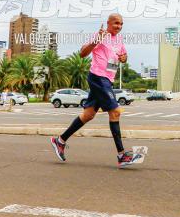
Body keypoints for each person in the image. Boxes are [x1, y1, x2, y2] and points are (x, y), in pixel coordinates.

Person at [51, 13, 142, 168]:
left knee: (88, 115)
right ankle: (121, 155)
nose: (119, 26)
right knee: (115, 112)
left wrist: (124, 58)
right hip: (98, 77)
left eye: (121, 24)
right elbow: (82, 53)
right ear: (108, 23)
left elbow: (124, 56)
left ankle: (59, 141)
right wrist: (95, 41)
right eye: (116, 23)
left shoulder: (118, 40)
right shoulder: (100, 36)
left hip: (108, 79)